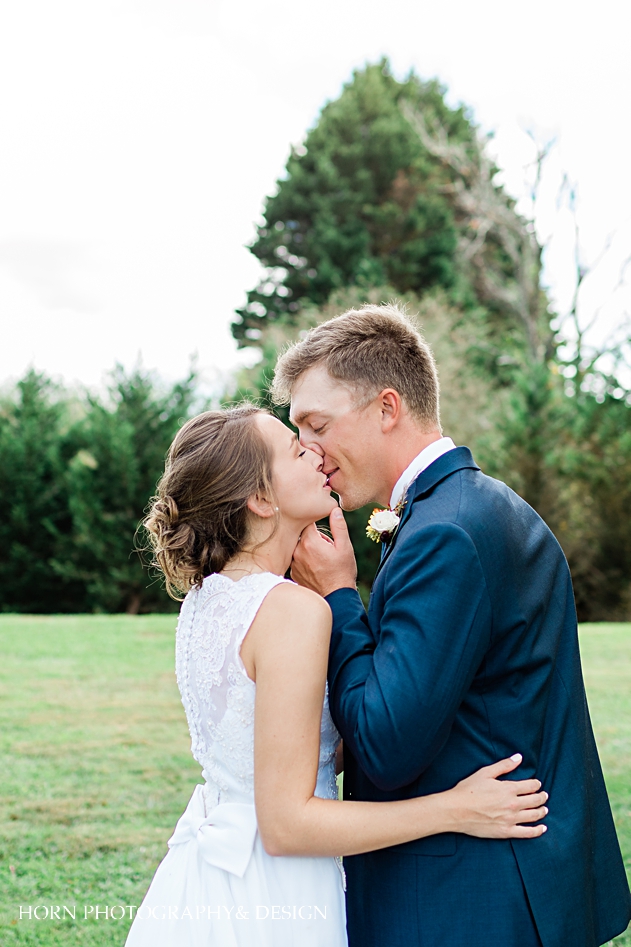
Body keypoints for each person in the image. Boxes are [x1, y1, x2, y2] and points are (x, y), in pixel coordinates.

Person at [125, 404, 548, 947]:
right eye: (296, 450)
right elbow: (288, 826)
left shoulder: (207, 599)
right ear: (260, 498)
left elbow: (278, 746)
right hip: (274, 892)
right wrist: (456, 809)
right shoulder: (292, 612)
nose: (315, 452)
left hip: (207, 880)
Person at [277, 303, 631, 947]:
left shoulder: (444, 533)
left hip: (465, 901)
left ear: (387, 408)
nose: (306, 449)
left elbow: (385, 747)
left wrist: (338, 595)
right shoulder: (473, 506)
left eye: (317, 424)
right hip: (505, 883)